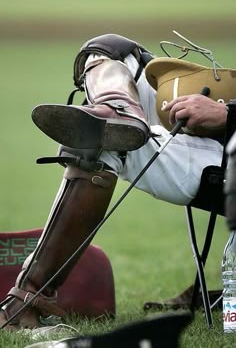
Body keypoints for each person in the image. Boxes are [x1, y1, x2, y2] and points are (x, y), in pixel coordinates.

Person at [0, 33, 232, 330]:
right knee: (111, 50)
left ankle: (25, 302)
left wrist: (226, 113)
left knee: (101, 140)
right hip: (220, 132)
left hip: (229, 155)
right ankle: (119, 109)